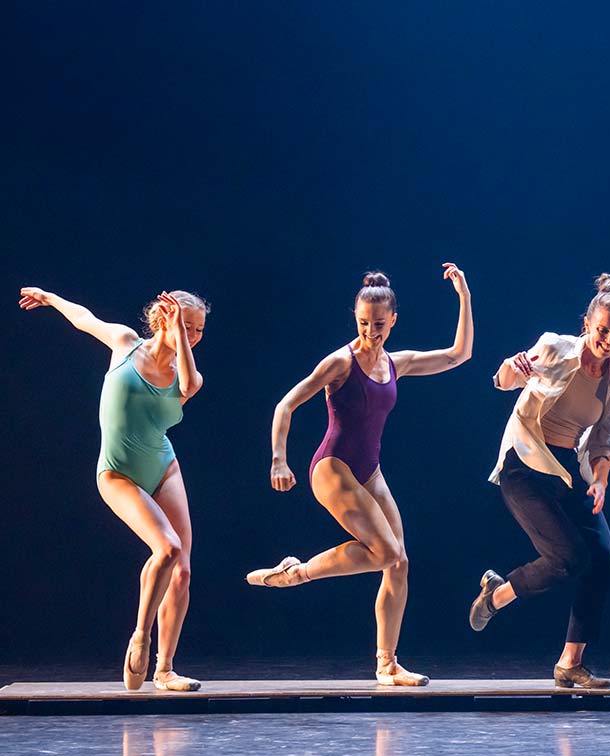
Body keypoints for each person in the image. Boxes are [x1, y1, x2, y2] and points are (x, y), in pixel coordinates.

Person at [247, 265, 472, 686]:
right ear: (355, 317)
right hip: (332, 468)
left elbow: (459, 354)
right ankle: (297, 574)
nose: (372, 331)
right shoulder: (339, 362)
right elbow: (285, 405)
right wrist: (279, 459)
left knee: (399, 562)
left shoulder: (396, 362)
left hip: (370, 470)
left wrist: (463, 296)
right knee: (386, 552)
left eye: (380, 324)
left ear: (394, 321)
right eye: (364, 323)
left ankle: (386, 664)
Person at [19, 286, 210, 691]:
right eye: (186, 326)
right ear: (163, 318)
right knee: (168, 549)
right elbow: (84, 318)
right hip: (117, 474)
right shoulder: (125, 343)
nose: (191, 335)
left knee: (183, 571)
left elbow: (192, 383)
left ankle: (165, 670)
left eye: (197, 331)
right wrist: (52, 299)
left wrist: (181, 338)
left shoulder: (185, 375)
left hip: (163, 467)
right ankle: (140, 636)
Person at [469, 274, 610, 690]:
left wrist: (599, 483)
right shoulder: (554, 347)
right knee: (568, 558)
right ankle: (498, 594)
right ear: (587, 323)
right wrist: (511, 367)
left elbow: (605, 444)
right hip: (524, 463)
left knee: (603, 560)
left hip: (567, 470)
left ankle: (570, 663)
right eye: (602, 330)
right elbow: (504, 381)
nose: (609, 340)